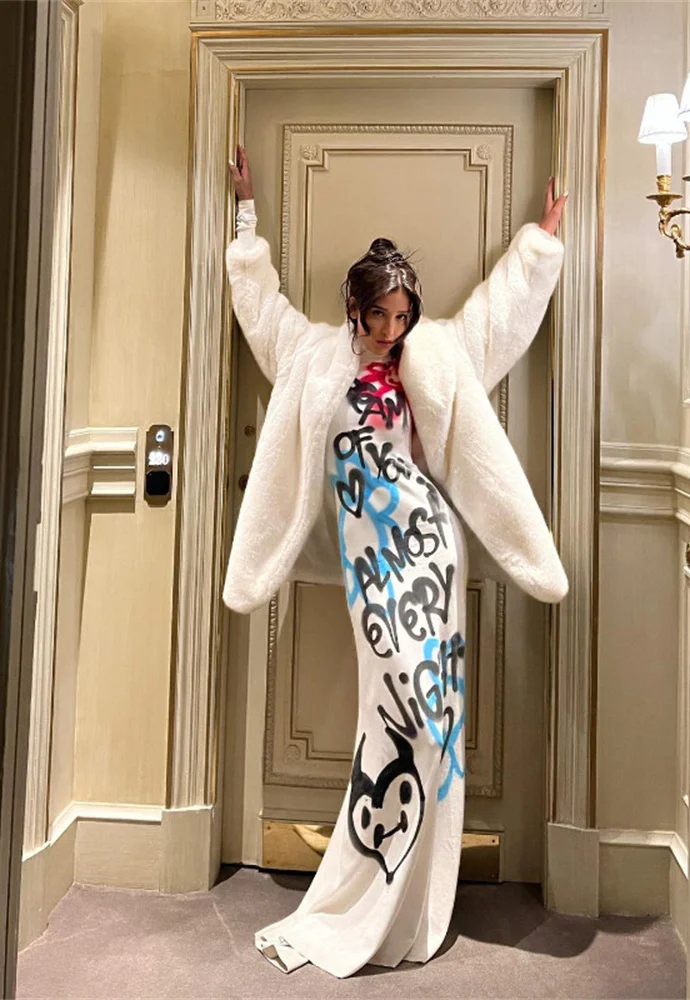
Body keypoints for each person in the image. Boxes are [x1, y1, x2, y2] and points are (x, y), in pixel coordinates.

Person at [226, 146, 568, 979]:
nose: (389, 330)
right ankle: (372, 885)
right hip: (371, 570)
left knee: (431, 716)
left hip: (430, 558)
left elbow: (497, 319)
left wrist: (539, 244)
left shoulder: (436, 355)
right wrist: (245, 217)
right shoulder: (311, 357)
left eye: (402, 315)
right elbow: (259, 306)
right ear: (353, 307)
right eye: (378, 314)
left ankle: (416, 895)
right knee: (397, 713)